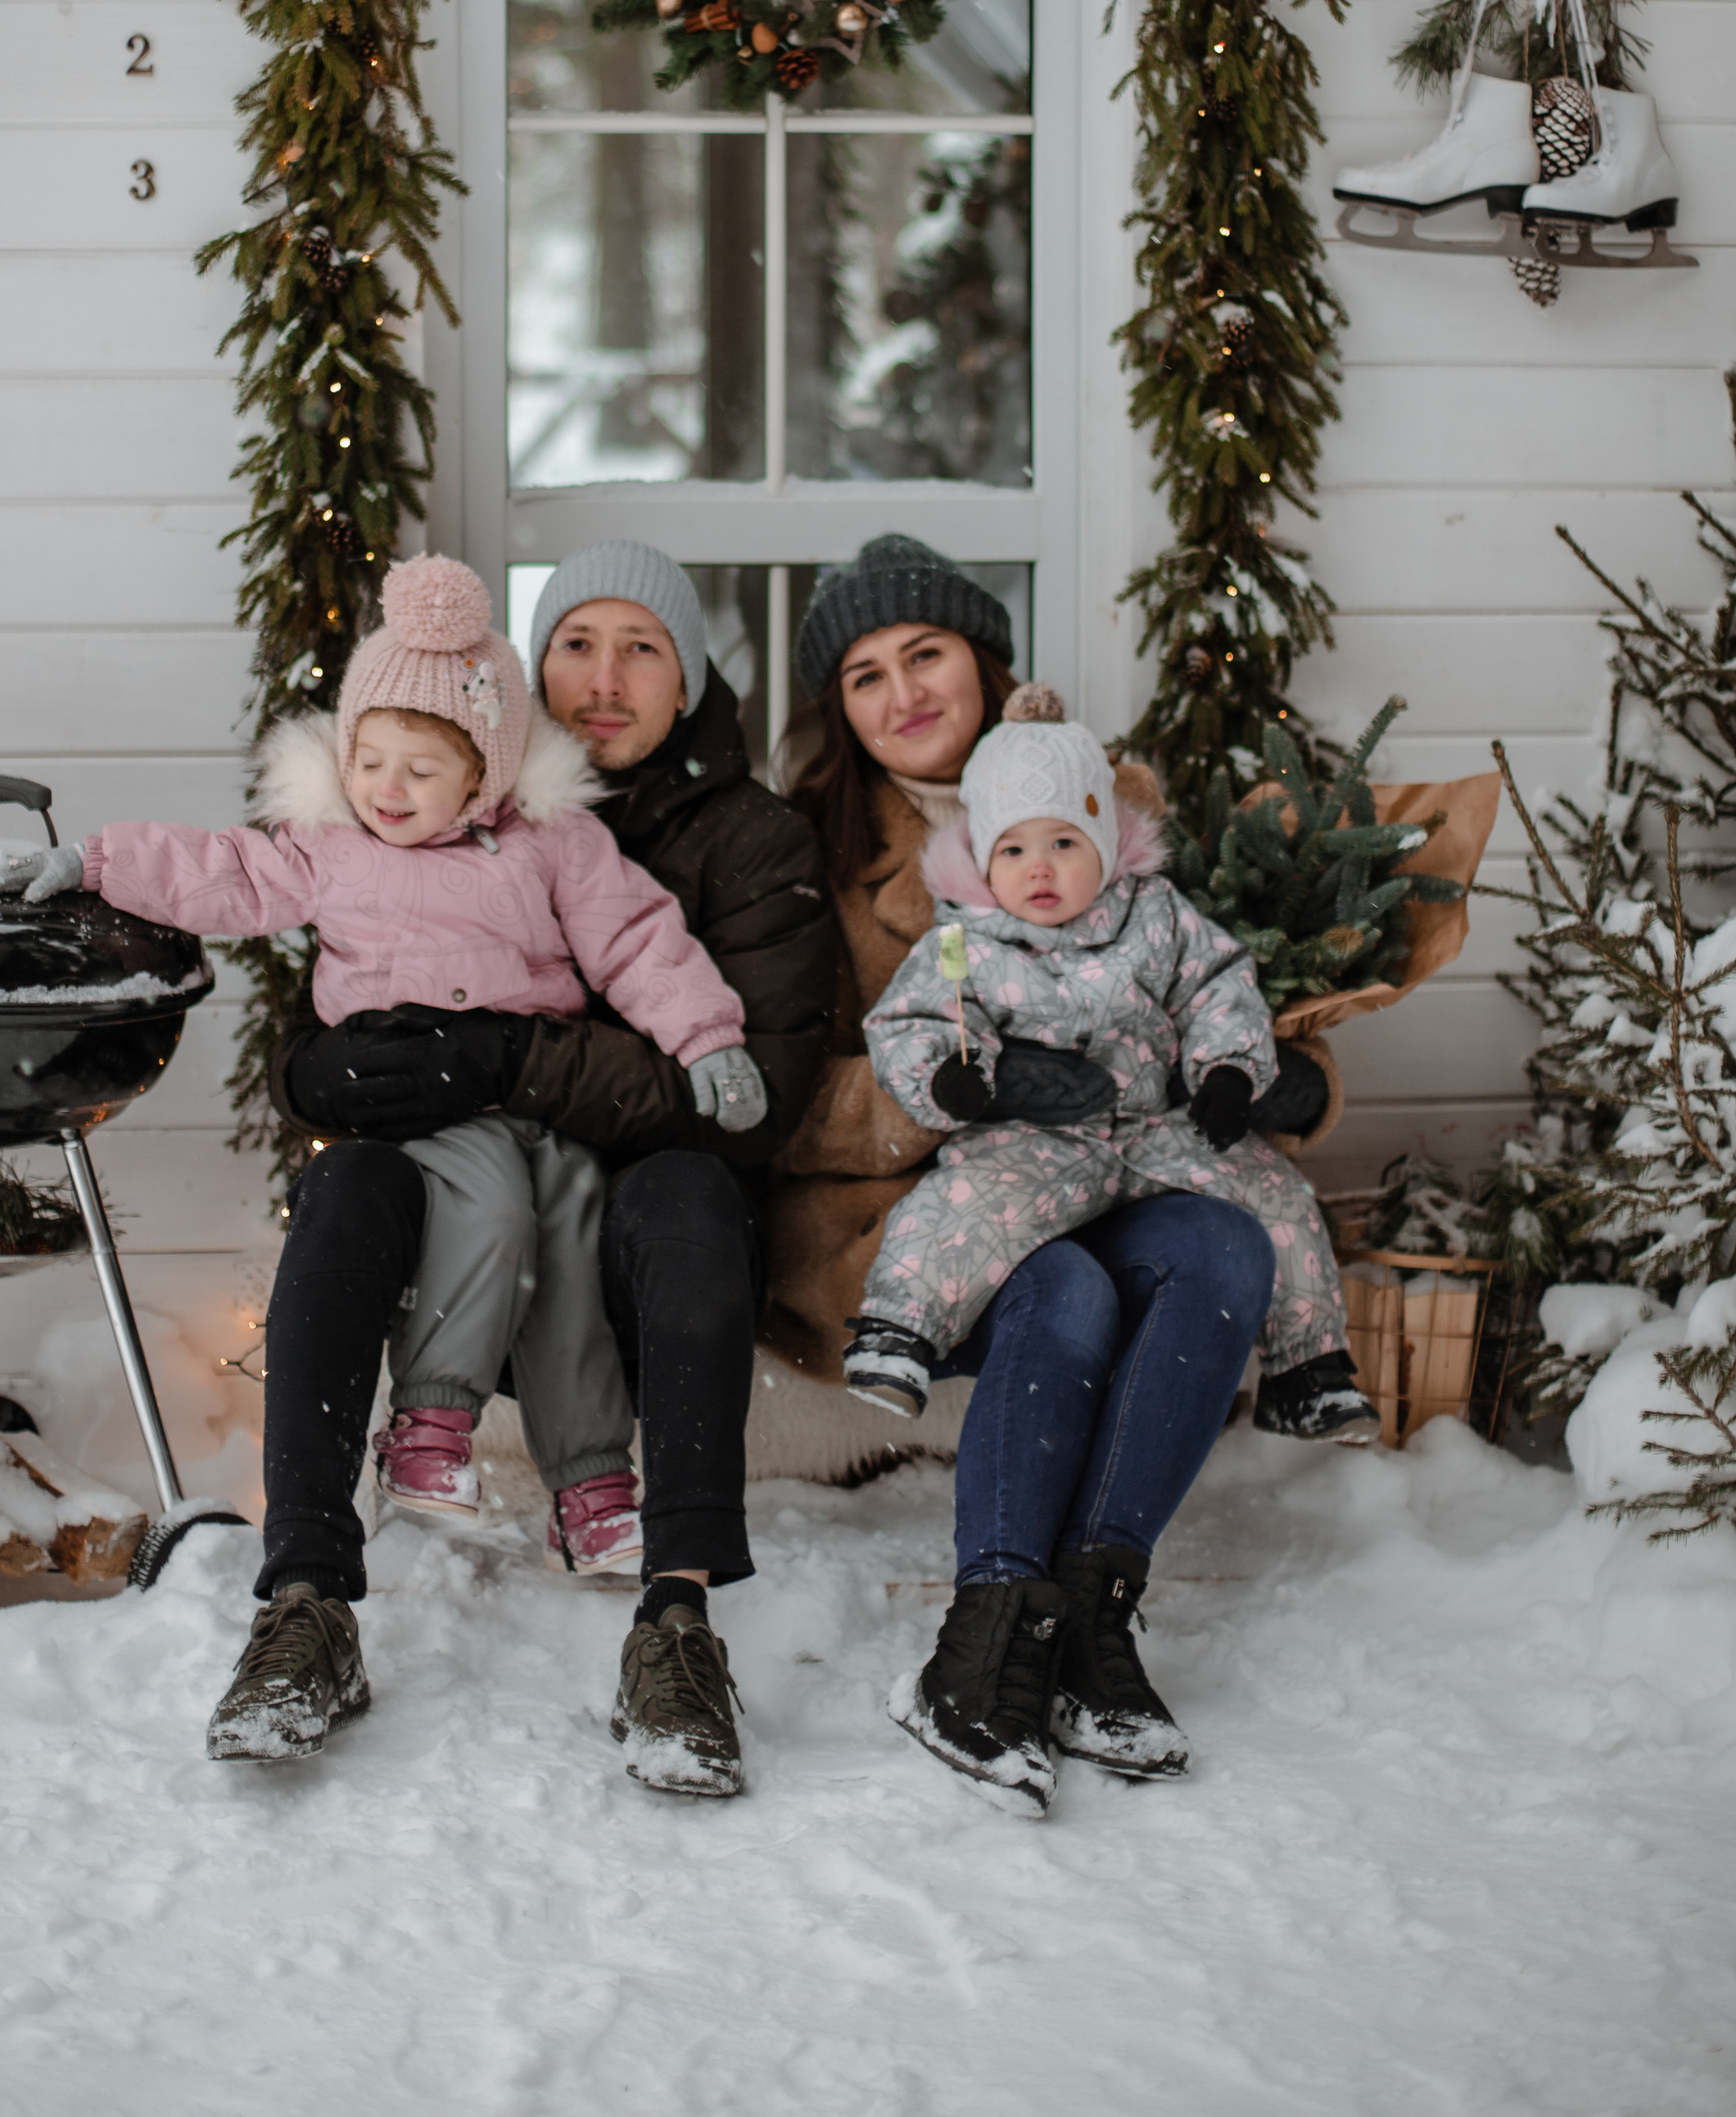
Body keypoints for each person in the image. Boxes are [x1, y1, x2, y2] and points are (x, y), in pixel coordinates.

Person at [58, 552, 762, 1753]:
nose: (387, 789)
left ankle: (595, 1481)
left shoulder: (548, 845)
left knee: (571, 1222)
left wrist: (707, 1039)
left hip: (536, 1098)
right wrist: (100, 861)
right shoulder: (330, 844)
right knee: (488, 1203)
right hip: (408, 1112)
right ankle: (429, 1425)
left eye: (421, 769)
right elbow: (226, 871)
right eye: (368, 761)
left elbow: (639, 937)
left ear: (484, 774)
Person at [203, 543, 834, 1796]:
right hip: (458, 1205)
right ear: (527, 671)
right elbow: (345, 991)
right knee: (342, 1188)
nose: (605, 677)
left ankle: (678, 1623)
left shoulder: (753, 840)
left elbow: (752, 1100)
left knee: (694, 1198)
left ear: (690, 677)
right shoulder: (426, 788)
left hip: (639, 1213)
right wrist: (319, 1077)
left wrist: (502, 1061)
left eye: (642, 648)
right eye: (577, 644)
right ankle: (307, 1605)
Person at [768, 535, 1288, 1803]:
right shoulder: (812, 856)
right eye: (865, 675)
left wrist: (1286, 1080)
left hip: (1120, 1167)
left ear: (986, 664)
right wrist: (961, 1093)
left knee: (1225, 1248)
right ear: (837, 712)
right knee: (1060, 1288)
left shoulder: (1111, 809)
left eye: (927, 653)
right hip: (920, 1219)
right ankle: (985, 1639)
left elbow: (1212, 991)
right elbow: (777, 1101)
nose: (904, 693)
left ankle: (1093, 1622)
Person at [840, 694, 1377, 1442]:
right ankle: (897, 1334)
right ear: (984, 860)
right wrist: (943, 1078)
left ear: (1103, 841)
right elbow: (912, 1022)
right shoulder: (965, 942)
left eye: (1064, 843)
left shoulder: (1155, 915)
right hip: (1036, 1139)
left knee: (1277, 1197)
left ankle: (1307, 1371)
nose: (1040, 870)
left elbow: (1219, 985)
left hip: (1160, 1125)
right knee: (957, 1207)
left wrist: (1227, 1073)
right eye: (1014, 850)